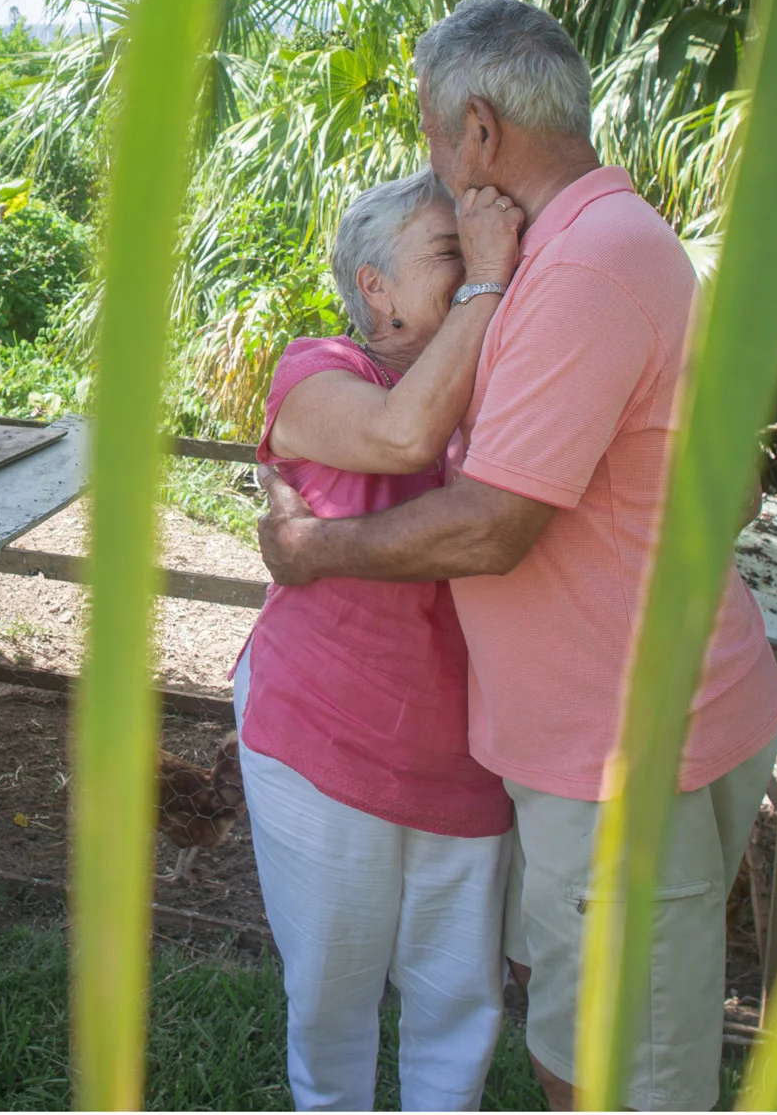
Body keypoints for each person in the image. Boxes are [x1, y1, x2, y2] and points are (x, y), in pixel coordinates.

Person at [257, 0, 777, 1112]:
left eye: (430, 132)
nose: (433, 159)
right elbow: (728, 478)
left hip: (625, 750)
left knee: (611, 1071)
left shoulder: (579, 268)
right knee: (580, 1037)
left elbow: (492, 524)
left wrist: (310, 548)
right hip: (613, 735)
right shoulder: (603, 248)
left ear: (480, 131)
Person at [236, 165, 526, 1112]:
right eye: (451, 251)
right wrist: (489, 277)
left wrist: (312, 547)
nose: (490, 260)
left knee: (460, 1005)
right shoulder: (319, 370)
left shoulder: (508, 382)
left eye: (487, 249)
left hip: (470, 762)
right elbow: (405, 438)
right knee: (333, 996)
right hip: (323, 745)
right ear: (377, 290)